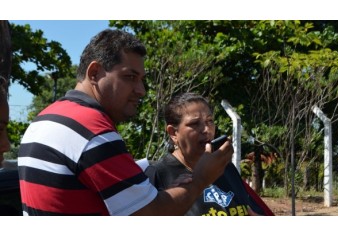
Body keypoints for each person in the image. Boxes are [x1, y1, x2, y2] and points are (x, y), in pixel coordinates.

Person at [17, 29, 233, 216]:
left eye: (142, 79)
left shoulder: (44, 118)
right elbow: (151, 215)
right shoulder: (92, 130)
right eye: (130, 77)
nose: (141, 91)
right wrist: (201, 179)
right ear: (94, 73)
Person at [145, 92, 274, 216]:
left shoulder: (225, 168)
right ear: (173, 133)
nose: (206, 130)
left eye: (210, 121)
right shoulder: (157, 175)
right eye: (195, 124)